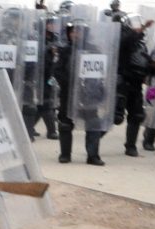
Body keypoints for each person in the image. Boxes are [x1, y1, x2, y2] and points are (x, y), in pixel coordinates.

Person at [54, 20, 107, 166]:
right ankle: (65, 154)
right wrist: (70, 83)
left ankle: (93, 155)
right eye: (72, 31)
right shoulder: (64, 50)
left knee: (93, 124)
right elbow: (57, 70)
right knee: (65, 124)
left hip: (88, 94)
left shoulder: (94, 50)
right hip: (69, 94)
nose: (75, 34)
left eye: (78, 31)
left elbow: (99, 72)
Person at [114, 13, 154, 157]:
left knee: (136, 115)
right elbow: (127, 41)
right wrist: (142, 28)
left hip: (136, 84)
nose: (138, 27)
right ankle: (94, 140)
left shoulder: (141, 45)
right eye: (135, 24)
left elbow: (147, 63)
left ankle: (130, 146)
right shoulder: (122, 39)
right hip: (123, 83)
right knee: (116, 116)